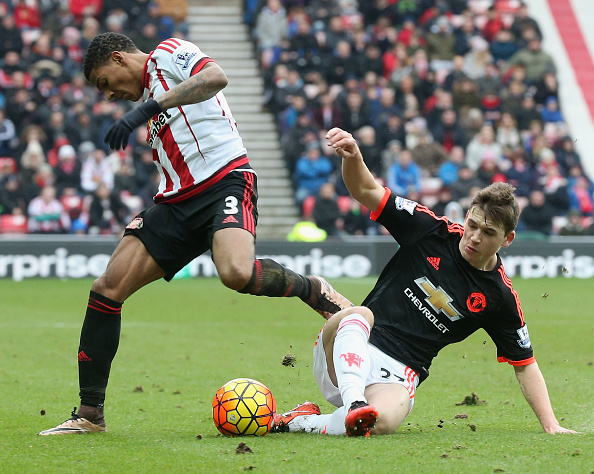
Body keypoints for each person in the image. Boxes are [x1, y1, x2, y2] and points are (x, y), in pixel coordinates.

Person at [39, 33, 352, 436]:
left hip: (224, 181)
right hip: (175, 202)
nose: (110, 95)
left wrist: (147, 107)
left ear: (118, 58)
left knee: (237, 274)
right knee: (106, 288)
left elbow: (216, 77)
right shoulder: (149, 105)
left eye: (105, 82)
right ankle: (89, 415)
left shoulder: (168, 54)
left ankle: (312, 289)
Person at [272, 127, 577, 437]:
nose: (474, 237)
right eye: (472, 225)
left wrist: (551, 424)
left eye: (488, 233)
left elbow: (524, 363)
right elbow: (366, 190)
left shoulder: (499, 296)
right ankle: (353, 404)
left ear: (507, 239)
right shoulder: (429, 229)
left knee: (378, 423)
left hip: (398, 377)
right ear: (466, 215)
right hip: (348, 348)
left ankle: (297, 422)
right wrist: (353, 156)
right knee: (358, 314)